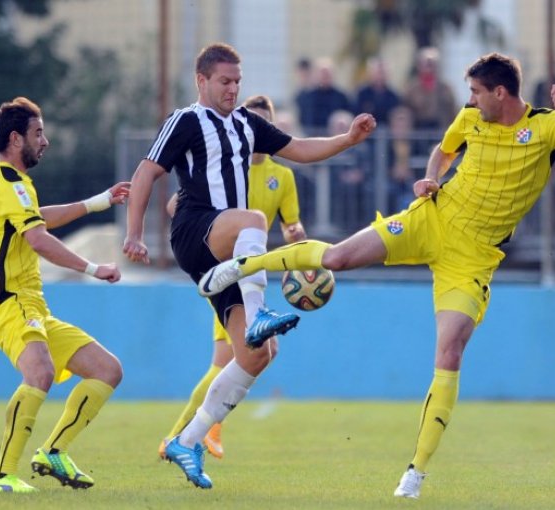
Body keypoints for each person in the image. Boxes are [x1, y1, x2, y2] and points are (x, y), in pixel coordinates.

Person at [198, 52, 555, 499]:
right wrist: (431, 177)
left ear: (500, 93)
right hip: (429, 220)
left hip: (471, 258)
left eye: (475, 91)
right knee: (335, 258)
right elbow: (444, 149)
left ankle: (414, 473)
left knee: (449, 352)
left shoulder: (547, 126)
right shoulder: (471, 116)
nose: (469, 99)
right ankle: (241, 267)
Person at [123, 42, 375, 490]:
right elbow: (145, 173)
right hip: (195, 231)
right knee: (254, 219)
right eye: (224, 81)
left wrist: (348, 140)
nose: (233, 89)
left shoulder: (245, 123)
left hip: (230, 256)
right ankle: (259, 314)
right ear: (201, 81)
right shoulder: (186, 121)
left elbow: (298, 147)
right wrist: (134, 234)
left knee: (258, 355)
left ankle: (187, 440)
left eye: (237, 81)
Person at [0, 97, 129, 493]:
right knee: (40, 374)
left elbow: (38, 218)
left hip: (32, 305)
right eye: (38, 133)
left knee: (107, 369)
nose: (44, 141)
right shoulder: (7, 182)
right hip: (7, 302)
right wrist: (94, 269)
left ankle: (53, 452)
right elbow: (39, 239)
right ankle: (3, 475)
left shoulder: (11, 182)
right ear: (15, 138)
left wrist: (99, 202)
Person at [157, 94, 307, 461]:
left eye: (259, 123)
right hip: (223, 268)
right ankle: (185, 436)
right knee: (228, 359)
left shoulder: (282, 176)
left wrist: (297, 243)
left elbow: (291, 224)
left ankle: (187, 437)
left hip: (252, 273)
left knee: (252, 355)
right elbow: (176, 204)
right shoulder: (222, 162)